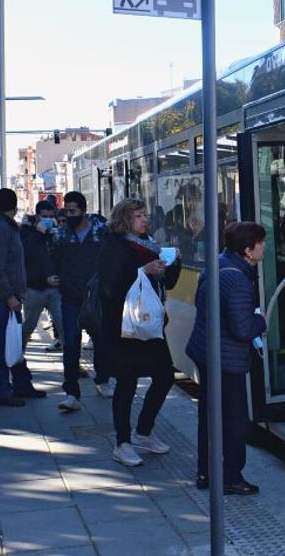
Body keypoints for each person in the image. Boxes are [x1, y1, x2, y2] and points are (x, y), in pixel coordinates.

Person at [185, 221, 267, 495]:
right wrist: (261, 322)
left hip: (206, 352)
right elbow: (243, 329)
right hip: (226, 359)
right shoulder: (238, 279)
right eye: (260, 243)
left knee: (209, 415)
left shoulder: (218, 263)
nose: (263, 247)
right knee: (234, 420)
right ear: (248, 250)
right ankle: (231, 476)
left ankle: (205, 472)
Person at [98, 198, 181, 466]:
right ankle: (122, 443)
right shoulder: (113, 245)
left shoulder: (150, 245)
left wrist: (173, 263)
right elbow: (111, 287)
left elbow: (167, 282)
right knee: (126, 382)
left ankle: (143, 431)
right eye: (138, 216)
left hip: (150, 324)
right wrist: (142, 271)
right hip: (125, 326)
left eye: (145, 215)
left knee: (165, 376)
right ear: (124, 220)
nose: (145, 219)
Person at [0, 188, 44, 406]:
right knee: (2, 344)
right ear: (15, 204)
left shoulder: (8, 227)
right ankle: (3, 391)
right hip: (3, 299)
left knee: (14, 342)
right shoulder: (1, 230)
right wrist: (9, 296)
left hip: (11, 297)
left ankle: (22, 385)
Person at [52, 191, 109, 411]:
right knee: (71, 344)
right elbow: (53, 259)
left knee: (101, 342)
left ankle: (102, 379)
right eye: (67, 211)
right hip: (70, 297)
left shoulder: (100, 232)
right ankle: (71, 393)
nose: (69, 215)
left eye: (73, 211)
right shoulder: (61, 235)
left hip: (95, 298)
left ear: (84, 210)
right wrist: (52, 275)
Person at [20, 200, 66, 349]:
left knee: (64, 326)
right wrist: (39, 232)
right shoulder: (27, 232)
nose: (48, 220)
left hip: (55, 289)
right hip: (34, 289)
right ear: (37, 216)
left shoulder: (56, 232)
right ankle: (17, 358)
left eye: (51, 217)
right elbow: (26, 259)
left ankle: (73, 363)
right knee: (28, 326)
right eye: (44, 216)